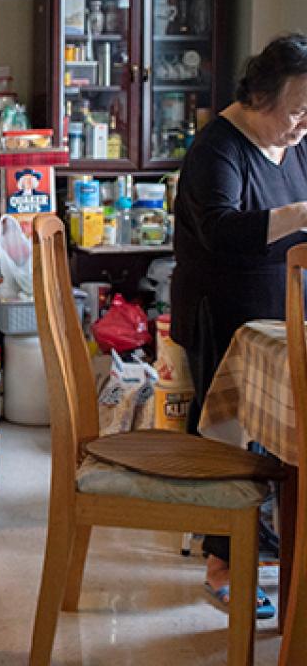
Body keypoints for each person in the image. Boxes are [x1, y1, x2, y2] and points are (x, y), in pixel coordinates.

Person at [171, 32, 307, 617]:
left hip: (283, 318)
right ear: (260, 96)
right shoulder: (217, 148)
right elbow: (222, 232)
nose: (303, 124)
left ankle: (277, 543)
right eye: (297, 110)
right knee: (238, 441)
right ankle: (224, 560)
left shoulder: (295, 145)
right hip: (222, 319)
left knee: (288, 436)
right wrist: (299, 215)